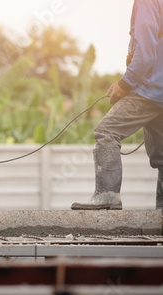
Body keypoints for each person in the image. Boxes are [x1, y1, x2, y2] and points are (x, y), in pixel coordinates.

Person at [72, 0, 163, 211]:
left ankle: (108, 196)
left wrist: (125, 84)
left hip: (149, 90)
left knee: (106, 131)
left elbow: (146, 52)